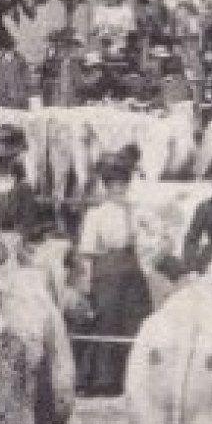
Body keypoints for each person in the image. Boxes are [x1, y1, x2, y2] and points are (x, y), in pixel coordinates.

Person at [74, 156, 154, 395]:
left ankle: (134, 377)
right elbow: (88, 251)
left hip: (132, 270)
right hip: (106, 271)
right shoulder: (96, 214)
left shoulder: (136, 211)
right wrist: (87, 282)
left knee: (136, 321)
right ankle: (103, 380)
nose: (118, 188)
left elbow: (150, 238)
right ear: (106, 187)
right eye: (113, 184)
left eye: (122, 183)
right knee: (106, 322)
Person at [0, 126, 43, 241]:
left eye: (6, 158)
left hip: (17, 243)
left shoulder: (23, 188)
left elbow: (28, 224)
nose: (1, 162)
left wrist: (15, 239)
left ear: (12, 159)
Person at [0, 35, 32, 108]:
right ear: (4, 49)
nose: (10, 52)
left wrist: (26, 86)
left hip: (17, 93)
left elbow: (26, 75)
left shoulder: (20, 60)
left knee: (17, 113)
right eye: (8, 49)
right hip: (2, 93)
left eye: (12, 49)